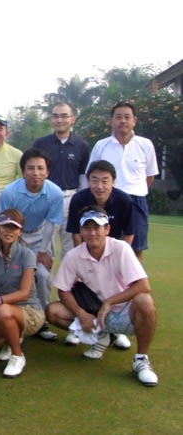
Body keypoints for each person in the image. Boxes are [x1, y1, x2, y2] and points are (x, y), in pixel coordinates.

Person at [46, 207, 159, 386]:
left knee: (144, 300)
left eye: (97, 228)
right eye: (87, 228)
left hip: (124, 312)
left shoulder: (121, 248)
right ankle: (102, 337)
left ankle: (141, 359)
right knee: (53, 311)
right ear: (81, 231)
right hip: (95, 312)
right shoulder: (73, 255)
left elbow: (143, 285)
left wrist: (110, 302)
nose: (92, 233)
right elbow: (63, 290)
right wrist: (81, 314)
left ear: (107, 229)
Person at [65, 160, 134, 350]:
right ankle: (86, 327)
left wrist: (120, 258)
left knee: (115, 289)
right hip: (87, 251)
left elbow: (129, 232)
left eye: (105, 180)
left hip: (114, 253)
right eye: (94, 180)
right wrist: (81, 258)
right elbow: (76, 233)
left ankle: (114, 329)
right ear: (88, 182)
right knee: (81, 287)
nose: (99, 186)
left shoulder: (124, 200)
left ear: (113, 181)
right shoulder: (79, 199)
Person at [0, 147, 63, 340]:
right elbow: (3, 221)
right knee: (15, 274)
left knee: (42, 276)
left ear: (47, 172)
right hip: (16, 236)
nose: (36, 173)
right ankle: (15, 316)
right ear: (23, 170)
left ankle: (40, 321)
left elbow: (52, 224)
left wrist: (44, 251)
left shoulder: (55, 193)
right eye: (30, 168)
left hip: (41, 236)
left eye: (40, 168)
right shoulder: (10, 192)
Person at [0, 209, 46, 378]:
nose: (8, 231)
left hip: (29, 311)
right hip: (3, 310)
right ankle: (12, 337)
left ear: (20, 230)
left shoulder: (27, 254)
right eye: (4, 226)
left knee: (2, 310)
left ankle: (17, 356)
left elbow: (24, 293)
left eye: (13, 228)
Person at [87, 102, 158, 260]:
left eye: (127, 117)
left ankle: (133, 283)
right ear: (112, 121)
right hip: (108, 201)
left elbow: (150, 176)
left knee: (135, 249)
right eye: (118, 117)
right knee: (103, 246)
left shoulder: (145, 145)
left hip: (136, 201)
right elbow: (91, 175)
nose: (123, 121)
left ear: (134, 120)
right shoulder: (101, 145)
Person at [33, 103, 90, 259]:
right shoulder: (41, 144)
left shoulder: (81, 146)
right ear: (51, 119)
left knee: (70, 250)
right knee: (43, 249)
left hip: (71, 200)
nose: (60, 120)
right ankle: (43, 283)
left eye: (64, 116)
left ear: (73, 119)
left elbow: (83, 176)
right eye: (55, 116)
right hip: (46, 199)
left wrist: (83, 202)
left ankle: (67, 284)